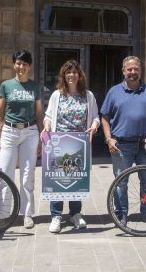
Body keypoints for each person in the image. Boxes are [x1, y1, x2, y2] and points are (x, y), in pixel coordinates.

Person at [101, 55, 146, 227]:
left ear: (140, 70)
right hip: (122, 145)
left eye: (136, 69)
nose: (132, 72)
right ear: (123, 71)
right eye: (129, 69)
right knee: (121, 182)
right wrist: (109, 139)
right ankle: (121, 215)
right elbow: (105, 117)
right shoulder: (114, 92)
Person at [43, 59, 100, 233]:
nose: (71, 75)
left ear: (79, 75)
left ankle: (75, 214)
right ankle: (56, 215)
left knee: (76, 180)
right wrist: (46, 126)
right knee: (58, 178)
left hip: (79, 144)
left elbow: (96, 117)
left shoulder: (88, 96)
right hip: (59, 142)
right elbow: (48, 116)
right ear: (63, 75)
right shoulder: (57, 95)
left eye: (74, 72)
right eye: (68, 72)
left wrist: (95, 126)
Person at [0, 50, 43, 230]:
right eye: (18, 63)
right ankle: (1, 214)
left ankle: (27, 213)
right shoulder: (6, 86)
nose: (21, 67)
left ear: (29, 66)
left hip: (30, 131)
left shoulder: (35, 87)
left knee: (28, 174)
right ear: (14, 65)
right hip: (9, 131)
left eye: (24, 64)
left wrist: (41, 138)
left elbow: (38, 113)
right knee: (4, 172)